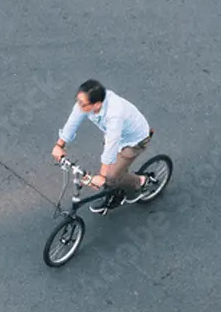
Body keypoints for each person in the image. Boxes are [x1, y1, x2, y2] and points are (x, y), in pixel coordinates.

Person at [52, 79, 154, 215]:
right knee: (113, 169)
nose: (79, 106)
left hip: (134, 140)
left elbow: (111, 145)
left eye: (83, 104)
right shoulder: (85, 105)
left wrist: (102, 175)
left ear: (97, 104)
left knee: (110, 176)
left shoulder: (114, 114)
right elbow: (73, 122)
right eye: (78, 101)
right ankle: (118, 184)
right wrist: (60, 145)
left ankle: (141, 181)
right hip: (117, 135)